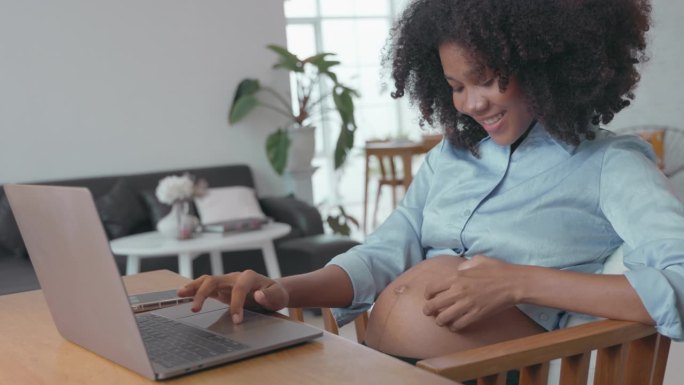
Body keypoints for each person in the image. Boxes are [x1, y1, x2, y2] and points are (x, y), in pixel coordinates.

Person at [179, 0, 684, 362]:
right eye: (456, 86)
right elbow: (381, 254)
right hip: (376, 363)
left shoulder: (610, 163)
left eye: (486, 78)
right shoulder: (454, 156)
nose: (470, 104)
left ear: (546, 62)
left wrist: (519, 283)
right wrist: (283, 291)